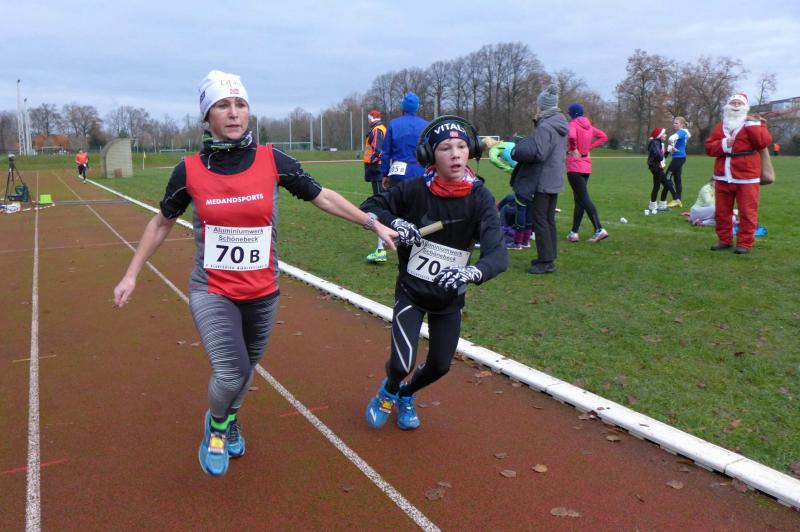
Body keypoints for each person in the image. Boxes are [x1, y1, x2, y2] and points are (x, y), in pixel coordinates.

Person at [112, 70, 396, 477]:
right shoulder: (188, 171)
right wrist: (131, 273)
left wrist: (372, 223)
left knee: (245, 371)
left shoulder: (272, 160)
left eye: (240, 104)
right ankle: (216, 425)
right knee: (231, 372)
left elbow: (323, 197)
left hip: (263, 292)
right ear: (206, 116)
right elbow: (161, 223)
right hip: (213, 290)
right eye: (222, 105)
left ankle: (230, 419)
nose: (233, 113)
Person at [361, 115, 508, 431]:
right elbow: (369, 206)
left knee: (441, 365)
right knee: (401, 363)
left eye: (461, 147)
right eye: (445, 148)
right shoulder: (413, 189)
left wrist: (471, 272)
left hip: (449, 297)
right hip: (412, 292)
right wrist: (395, 222)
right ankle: (389, 389)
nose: (455, 154)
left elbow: (498, 255)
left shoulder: (480, 197)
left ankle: (405, 394)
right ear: (430, 155)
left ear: (470, 151)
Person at [510, 84, 568, 274]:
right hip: (555, 177)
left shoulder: (545, 126)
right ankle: (549, 257)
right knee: (548, 219)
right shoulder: (560, 123)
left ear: (542, 105)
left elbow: (540, 153)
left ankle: (545, 261)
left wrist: (522, 147)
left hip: (543, 179)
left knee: (540, 219)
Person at [704, 92, 772, 254]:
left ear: (745, 107)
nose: (735, 106)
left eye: (739, 103)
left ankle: (745, 243)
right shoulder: (720, 126)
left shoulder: (755, 123)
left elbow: (763, 142)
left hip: (747, 176)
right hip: (723, 175)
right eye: (733, 103)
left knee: (747, 211)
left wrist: (753, 124)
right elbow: (709, 148)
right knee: (722, 212)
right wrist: (724, 144)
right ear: (727, 106)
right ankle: (724, 240)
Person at [565, 103, 609, 243]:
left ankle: (599, 229)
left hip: (574, 166)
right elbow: (603, 137)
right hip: (586, 167)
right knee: (579, 199)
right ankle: (574, 233)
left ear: (572, 114)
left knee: (583, 198)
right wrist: (589, 147)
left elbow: (572, 136)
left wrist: (573, 148)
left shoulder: (572, 124)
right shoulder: (589, 126)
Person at [380, 92, 428, 190]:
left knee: (397, 199)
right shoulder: (426, 125)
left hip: (398, 173)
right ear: (417, 108)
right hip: (420, 171)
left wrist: (385, 173)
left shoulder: (393, 124)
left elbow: (385, 153)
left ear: (403, 107)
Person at [363, 110, 388, 263]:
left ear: (372, 118)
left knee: (380, 207)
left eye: (369, 118)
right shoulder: (381, 129)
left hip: (377, 170)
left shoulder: (377, 130)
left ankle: (381, 249)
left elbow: (378, 151)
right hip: (379, 170)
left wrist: (373, 162)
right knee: (382, 205)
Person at [646, 128, 677, 212]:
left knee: (665, 185)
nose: (665, 135)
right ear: (659, 135)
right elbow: (659, 156)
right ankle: (653, 206)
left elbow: (662, 158)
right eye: (664, 134)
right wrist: (662, 153)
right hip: (656, 168)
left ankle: (661, 206)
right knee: (658, 186)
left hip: (658, 168)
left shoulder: (658, 143)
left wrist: (668, 151)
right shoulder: (655, 143)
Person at [665, 116, 691, 208]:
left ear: (682, 125)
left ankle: (676, 199)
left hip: (678, 158)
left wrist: (672, 146)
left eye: (676, 123)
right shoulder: (683, 132)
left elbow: (671, 138)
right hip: (680, 157)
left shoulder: (681, 132)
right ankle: (678, 200)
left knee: (666, 177)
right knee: (677, 179)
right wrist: (671, 149)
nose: (674, 124)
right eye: (674, 123)